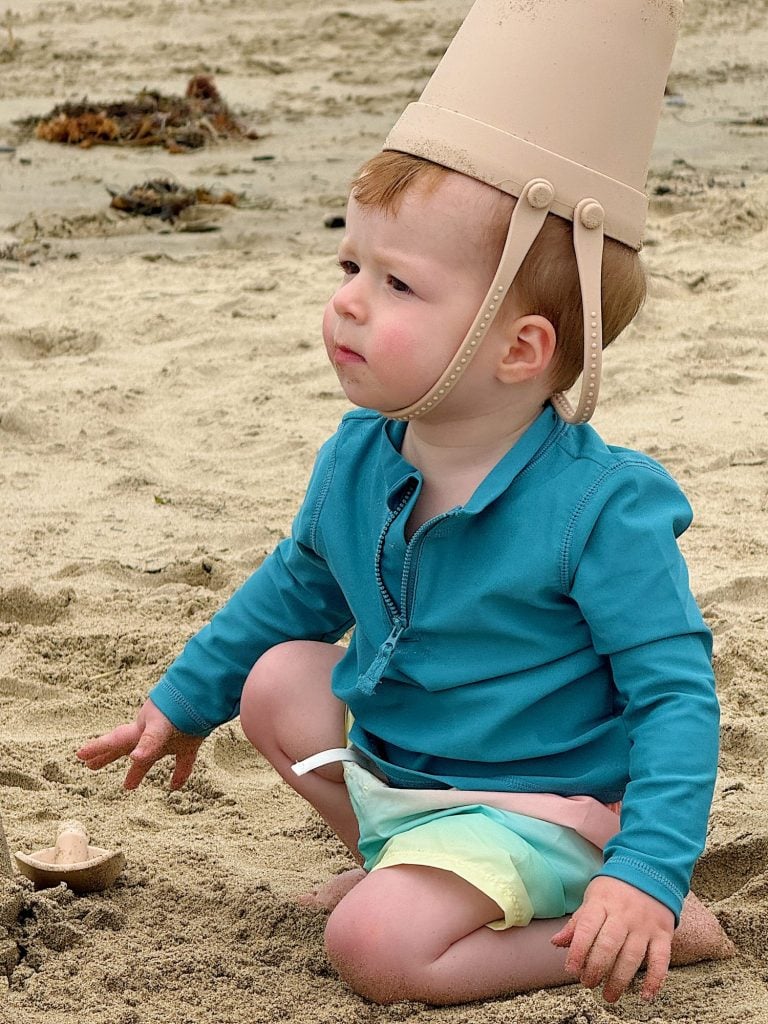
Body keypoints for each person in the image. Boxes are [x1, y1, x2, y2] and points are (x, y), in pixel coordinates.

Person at [78, 150, 734, 1006]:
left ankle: (638, 927)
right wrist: (186, 700)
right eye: (351, 266)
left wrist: (647, 872)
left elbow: (676, 699)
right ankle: (408, 867)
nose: (347, 300)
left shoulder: (601, 508)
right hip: (404, 778)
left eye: (397, 285)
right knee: (276, 677)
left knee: (372, 946)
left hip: (541, 813)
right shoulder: (356, 455)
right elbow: (292, 591)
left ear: (520, 348)